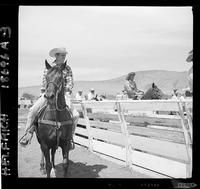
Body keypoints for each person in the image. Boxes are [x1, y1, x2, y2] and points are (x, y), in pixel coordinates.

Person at [19, 47, 79, 149]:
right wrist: (46, 91)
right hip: (48, 93)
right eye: (62, 55)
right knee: (33, 110)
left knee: (76, 115)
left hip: (62, 95)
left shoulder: (67, 68)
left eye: (65, 55)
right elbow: (44, 83)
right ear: (56, 56)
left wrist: (63, 89)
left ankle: (69, 138)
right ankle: (28, 134)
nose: (64, 57)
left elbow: (70, 83)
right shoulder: (49, 67)